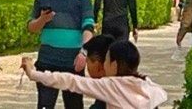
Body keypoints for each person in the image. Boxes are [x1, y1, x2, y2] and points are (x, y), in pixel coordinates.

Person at [28, 0, 99, 109]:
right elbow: (31, 27)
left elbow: (88, 26)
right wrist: (42, 20)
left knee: (74, 105)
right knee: (45, 105)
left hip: (72, 62)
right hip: (47, 61)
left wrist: (84, 52)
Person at [32, 36, 167, 109]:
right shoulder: (147, 84)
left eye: (106, 60)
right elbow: (161, 95)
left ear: (113, 65)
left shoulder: (111, 85)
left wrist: (33, 74)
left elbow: (71, 81)